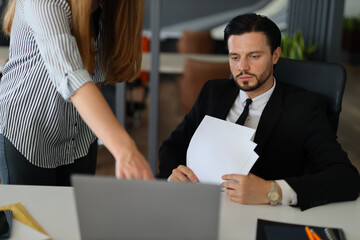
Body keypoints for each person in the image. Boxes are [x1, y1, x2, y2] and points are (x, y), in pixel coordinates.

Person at [157, 13, 360, 210]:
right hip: (199, 206)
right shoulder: (212, 91)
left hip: (261, 214)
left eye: (254, 56)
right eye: (234, 56)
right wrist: (174, 173)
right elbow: (172, 146)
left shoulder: (304, 106)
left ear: (275, 55)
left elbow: (346, 179)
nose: (242, 67)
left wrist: (271, 191)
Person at [0, 0, 154, 186]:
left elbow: (94, 78)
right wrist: (125, 149)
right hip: (27, 134)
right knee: (35, 215)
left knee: (74, 213)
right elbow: (71, 75)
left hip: (79, 138)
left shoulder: (106, 7)